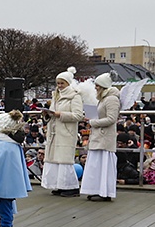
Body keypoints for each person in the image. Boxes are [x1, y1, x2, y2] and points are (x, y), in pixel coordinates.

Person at [42, 66, 83, 197]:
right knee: (54, 159)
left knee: (64, 160)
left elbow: (78, 115)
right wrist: (47, 114)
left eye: (62, 83)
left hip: (66, 132)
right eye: (58, 83)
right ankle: (58, 185)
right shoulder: (56, 96)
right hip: (54, 131)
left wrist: (60, 114)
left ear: (68, 83)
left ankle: (70, 186)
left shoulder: (74, 96)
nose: (59, 86)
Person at [80, 73, 120, 201]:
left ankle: (104, 191)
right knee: (96, 166)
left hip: (105, 137)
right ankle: (97, 189)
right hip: (99, 136)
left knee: (103, 165)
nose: (95, 87)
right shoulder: (104, 99)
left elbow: (112, 119)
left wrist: (92, 122)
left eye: (97, 85)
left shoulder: (111, 99)